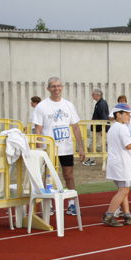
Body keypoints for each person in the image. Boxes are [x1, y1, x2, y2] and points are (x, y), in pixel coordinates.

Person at [32, 76, 86, 216]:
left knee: (69, 175)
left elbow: (75, 127)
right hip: (49, 149)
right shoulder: (42, 106)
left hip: (66, 148)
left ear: (62, 87)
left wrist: (81, 147)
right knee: (48, 177)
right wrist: (39, 148)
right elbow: (38, 129)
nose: (56, 88)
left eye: (58, 86)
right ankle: (48, 204)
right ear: (48, 88)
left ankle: (72, 204)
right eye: (53, 86)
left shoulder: (68, 105)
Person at [103, 103, 131, 227]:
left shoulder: (113, 128)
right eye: (127, 114)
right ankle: (109, 215)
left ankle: (127, 215)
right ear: (118, 114)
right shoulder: (122, 128)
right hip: (122, 164)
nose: (129, 116)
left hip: (115, 163)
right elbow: (128, 145)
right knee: (124, 190)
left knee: (122, 190)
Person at [83, 88, 109, 166]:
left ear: (98, 95)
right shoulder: (100, 103)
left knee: (93, 144)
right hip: (98, 129)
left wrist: (103, 129)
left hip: (98, 129)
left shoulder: (101, 104)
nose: (92, 96)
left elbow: (104, 117)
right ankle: (93, 159)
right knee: (101, 144)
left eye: (93, 94)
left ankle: (92, 160)